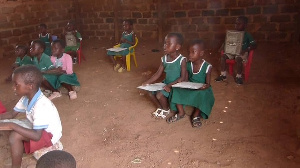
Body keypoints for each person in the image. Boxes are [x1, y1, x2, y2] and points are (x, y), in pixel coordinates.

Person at [0, 65, 62, 168]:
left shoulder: (41, 105)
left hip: (48, 136)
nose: (13, 88)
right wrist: (8, 124)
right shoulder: (26, 97)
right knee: (5, 124)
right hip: (37, 128)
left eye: (16, 85)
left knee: (14, 134)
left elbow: (37, 136)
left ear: (30, 86)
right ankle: (20, 147)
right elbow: (12, 114)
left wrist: (12, 125)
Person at [167, 39, 215, 128]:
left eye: (193, 52)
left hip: (201, 89)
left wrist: (204, 86)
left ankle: (195, 116)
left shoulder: (207, 66)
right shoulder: (188, 65)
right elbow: (185, 78)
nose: (190, 55)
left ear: (201, 53)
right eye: (189, 52)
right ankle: (181, 113)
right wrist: (180, 83)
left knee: (203, 94)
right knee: (177, 89)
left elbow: (208, 83)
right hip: (190, 86)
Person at [142, 32, 187, 119]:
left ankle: (166, 109)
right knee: (149, 92)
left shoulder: (182, 60)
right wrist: (147, 83)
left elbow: (183, 77)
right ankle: (160, 107)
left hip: (176, 85)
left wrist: (169, 85)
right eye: (165, 43)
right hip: (166, 83)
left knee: (159, 95)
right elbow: (158, 74)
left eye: (169, 44)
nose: (165, 46)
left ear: (177, 47)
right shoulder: (164, 59)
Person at [215, 16, 257, 85]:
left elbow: (254, 45)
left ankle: (239, 76)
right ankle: (223, 75)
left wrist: (247, 49)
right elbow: (227, 42)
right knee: (223, 57)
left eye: (239, 24)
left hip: (241, 52)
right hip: (231, 52)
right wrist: (222, 48)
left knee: (238, 59)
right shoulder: (232, 34)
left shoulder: (247, 35)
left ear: (245, 25)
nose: (236, 25)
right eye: (236, 23)